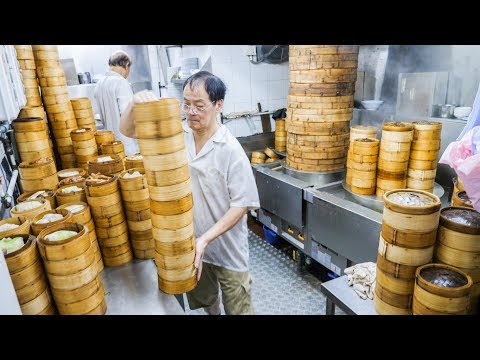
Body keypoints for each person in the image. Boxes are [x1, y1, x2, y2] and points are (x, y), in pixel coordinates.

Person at [120, 71, 260, 315]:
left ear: (218, 105)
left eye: (199, 105)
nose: (191, 111)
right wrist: (134, 102)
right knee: (206, 301)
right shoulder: (177, 135)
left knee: (238, 307)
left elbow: (242, 204)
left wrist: (206, 239)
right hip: (191, 245)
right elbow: (128, 130)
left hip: (228, 249)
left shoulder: (229, 149)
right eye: (186, 104)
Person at [94, 50, 140, 155]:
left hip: (109, 144)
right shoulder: (120, 83)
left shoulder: (99, 84)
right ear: (127, 65)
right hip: (126, 145)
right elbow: (127, 114)